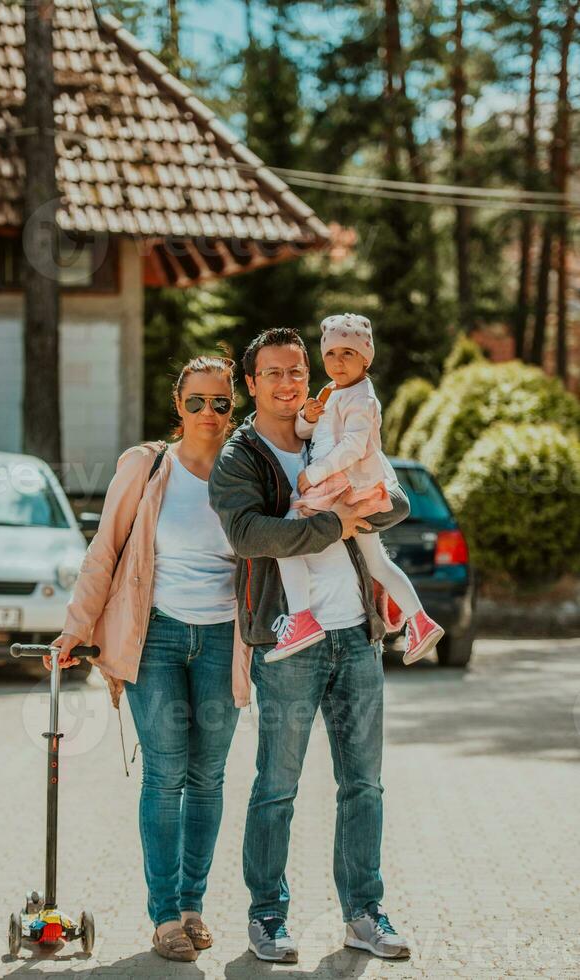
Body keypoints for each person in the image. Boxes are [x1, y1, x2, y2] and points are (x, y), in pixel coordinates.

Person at [209, 328, 412, 963]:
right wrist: (333, 522)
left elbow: (397, 498)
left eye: (297, 370)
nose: (288, 382)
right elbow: (247, 534)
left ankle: (363, 912)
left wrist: (366, 508)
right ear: (252, 383)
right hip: (289, 639)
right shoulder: (240, 456)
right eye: (273, 372)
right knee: (277, 784)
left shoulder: (335, 424)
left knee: (364, 784)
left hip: (356, 635)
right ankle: (267, 916)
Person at [47, 356, 250, 963]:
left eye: (220, 403)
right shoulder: (146, 466)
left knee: (208, 776)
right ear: (177, 406)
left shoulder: (245, 470)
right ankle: (163, 915)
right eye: (197, 402)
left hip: (223, 639)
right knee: (165, 774)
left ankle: (193, 906)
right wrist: (76, 627)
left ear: (231, 409)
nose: (208, 414)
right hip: (154, 637)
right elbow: (103, 551)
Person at [266, 312, 444, 665]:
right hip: (346, 487)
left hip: (346, 485)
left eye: (347, 353)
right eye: (330, 353)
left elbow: (353, 446)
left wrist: (314, 474)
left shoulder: (362, 398)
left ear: (366, 357)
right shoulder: (333, 391)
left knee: (286, 534)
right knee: (376, 561)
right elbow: (309, 435)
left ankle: (301, 618)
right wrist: (308, 417)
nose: (337, 361)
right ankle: (420, 621)